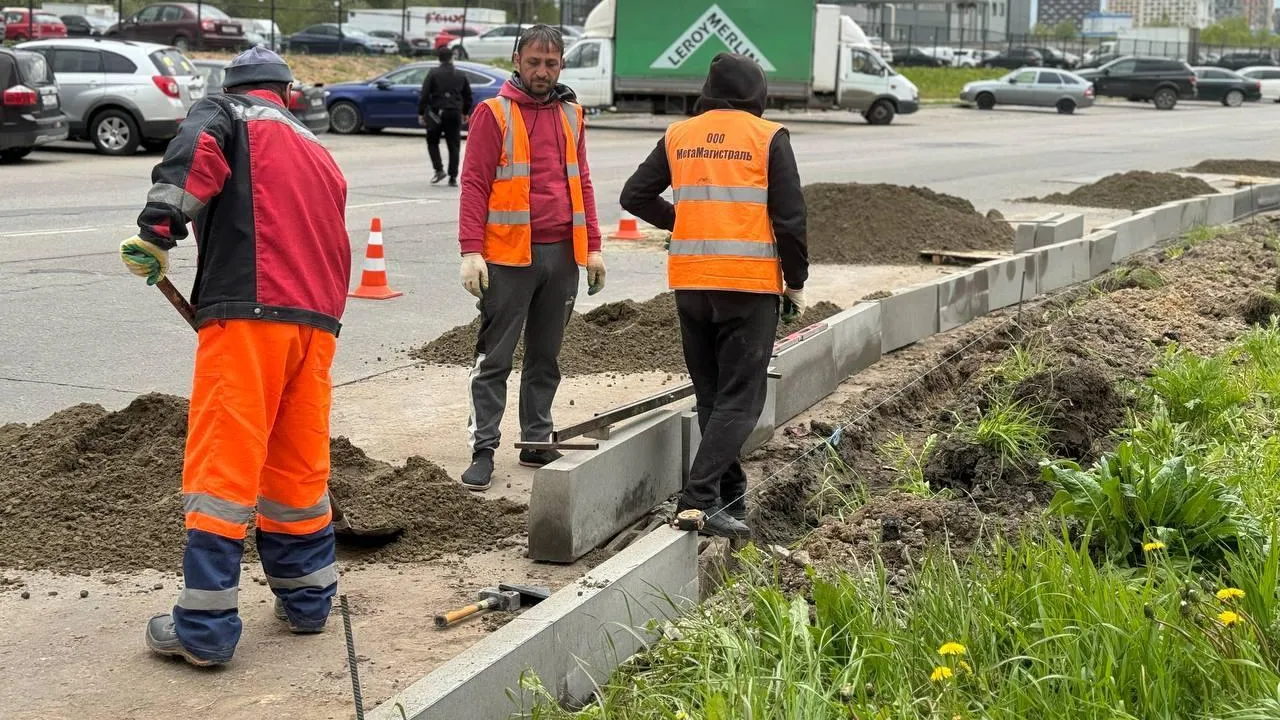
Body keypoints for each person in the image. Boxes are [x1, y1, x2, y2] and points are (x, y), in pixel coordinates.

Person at [119, 46, 350, 667]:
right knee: (297, 470)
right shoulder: (316, 148)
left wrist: (156, 231)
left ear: (237, 85)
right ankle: (308, 602)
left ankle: (205, 628)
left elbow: (195, 155)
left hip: (249, 314)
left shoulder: (227, 112)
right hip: (316, 327)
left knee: (223, 467)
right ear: (286, 91)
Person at [619, 52, 808, 539]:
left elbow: (634, 195)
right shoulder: (769, 138)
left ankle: (731, 495)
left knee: (713, 394)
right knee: (741, 401)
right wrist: (797, 281)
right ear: (756, 93)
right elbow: (789, 220)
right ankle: (697, 500)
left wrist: (680, 221)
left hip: (692, 282)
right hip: (746, 287)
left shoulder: (680, 135)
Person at [456, 24, 606, 491]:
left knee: (545, 357)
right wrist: (470, 251)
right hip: (508, 257)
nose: (542, 71)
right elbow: (475, 183)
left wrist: (594, 248)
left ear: (561, 65)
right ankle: (484, 448)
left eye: (552, 63)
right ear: (517, 60)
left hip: (561, 255)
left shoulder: (571, 114)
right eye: (534, 62)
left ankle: (536, 440)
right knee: (495, 357)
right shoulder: (492, 114)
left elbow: (582, 182)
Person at [418, 47, 472, 186]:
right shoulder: (461, 74)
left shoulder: (433, 73)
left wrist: (421, 112)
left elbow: (424, 94)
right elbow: (468, 96)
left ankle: (439, 169)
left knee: (432, 142)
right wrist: (465, 112)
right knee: (454, 145)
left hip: (436, 113)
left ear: (439, 59)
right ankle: (453, 177)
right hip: (454, 112)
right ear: (452, 58)